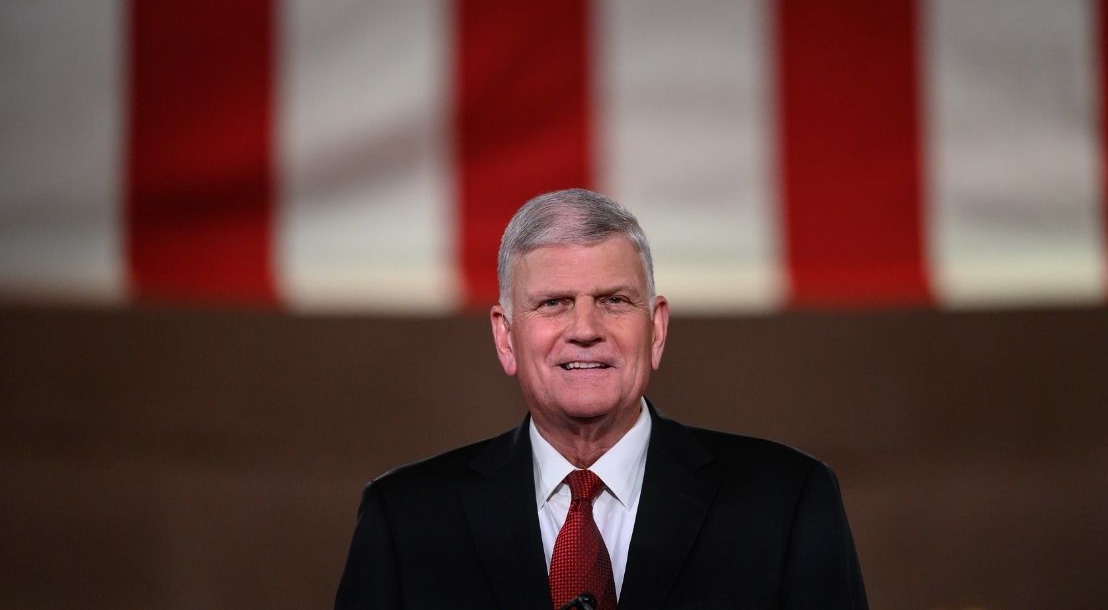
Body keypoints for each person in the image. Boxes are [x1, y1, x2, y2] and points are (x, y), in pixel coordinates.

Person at [335, 189, 868, 609]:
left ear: (656, 329)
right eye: (553, 303)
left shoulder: (786, 503)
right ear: (505, 337)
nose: (585, 329)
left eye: (614, 300)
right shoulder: (406, 520)